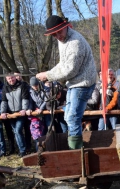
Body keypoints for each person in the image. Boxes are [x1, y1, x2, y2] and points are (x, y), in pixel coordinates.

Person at [36, 15, 97, 149]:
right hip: (75, 83)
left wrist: (48, 75)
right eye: (54, 34)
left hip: (82, 83)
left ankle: (75, 150)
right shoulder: (63, 40)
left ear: (65, 26)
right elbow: (63, 63)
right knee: (68, 115)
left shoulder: (75, 43)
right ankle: (75, 143)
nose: (58, 36)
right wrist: (49, 73)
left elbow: (69, 70)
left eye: (59, 31)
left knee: (72, 118)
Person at [0, 73, 31, 157]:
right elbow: (4, 101)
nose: (11, 80)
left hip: (20, 113)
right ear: (6, 79)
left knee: (18, 130)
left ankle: (23, 150)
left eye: (12, 78)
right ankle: (22, 149)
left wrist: (24, 109)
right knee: (16, 131)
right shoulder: (5, 88)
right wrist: (2, 111)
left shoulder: (22, 85)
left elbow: (25, 98)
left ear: (15, 77)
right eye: (9, 79)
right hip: (10, 114)